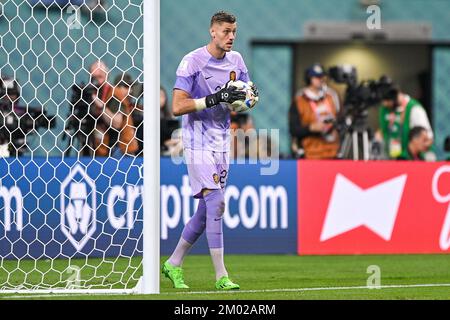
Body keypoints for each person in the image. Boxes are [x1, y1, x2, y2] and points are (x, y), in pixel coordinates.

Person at [163, 11, 258, 290]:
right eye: (226, 31)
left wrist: (248, 99)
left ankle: (173, 263)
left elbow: (246, 95)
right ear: (212, 32)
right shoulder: (192, 61)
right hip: (196, 140)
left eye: (234, 32)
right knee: (216, 203)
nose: (231, 37)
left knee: (206, 212)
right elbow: (178, 106)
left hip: (221, 141)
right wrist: (215, 98)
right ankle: (221, 276)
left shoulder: (237, 61)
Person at [290, 63, 340, 159]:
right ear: (309, 79)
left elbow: (341, 119)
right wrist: (311, 128)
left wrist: (333, 127)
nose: (321, 79)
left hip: (332, 151)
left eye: (322, 76)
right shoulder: (300, 100)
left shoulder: (331, 96)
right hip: (310, 152)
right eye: (317, 77)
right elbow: (293, 129)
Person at [376, 77, 434, 160]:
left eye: (387, 102)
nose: (385, 105)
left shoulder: (414, 109)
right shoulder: (384, 109)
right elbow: (383, 130)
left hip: (412, 160)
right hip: (391, 159)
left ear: (394, 97)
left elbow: (427, 138)